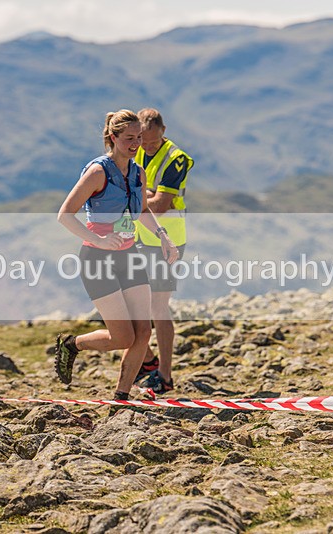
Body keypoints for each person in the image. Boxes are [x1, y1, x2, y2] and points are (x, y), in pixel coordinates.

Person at [55, 109, 178, 404]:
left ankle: (121, 397)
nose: (135, 144)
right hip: (97, 260)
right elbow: (65, 215)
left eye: (139, 138)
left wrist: (163, 237)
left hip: (130, 256)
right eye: (129, 138)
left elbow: (142, 211)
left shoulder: (138, 171)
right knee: (122, 338)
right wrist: (98, 238)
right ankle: (72, 344)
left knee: (143, 332)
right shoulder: (98, 172)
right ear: (113, 138)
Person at [132, 108, 194, 396]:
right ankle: (147, 362)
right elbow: (148, 199)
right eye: (144, 142)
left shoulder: (176, 158)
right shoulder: (138, 149)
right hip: (140, 236)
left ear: (164, 132)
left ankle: (164, 375)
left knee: (158, 306)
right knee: (129, 303)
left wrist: (133, 194)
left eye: (153, 143)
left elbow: (159, 204)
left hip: (168, 240)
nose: (147, 147)